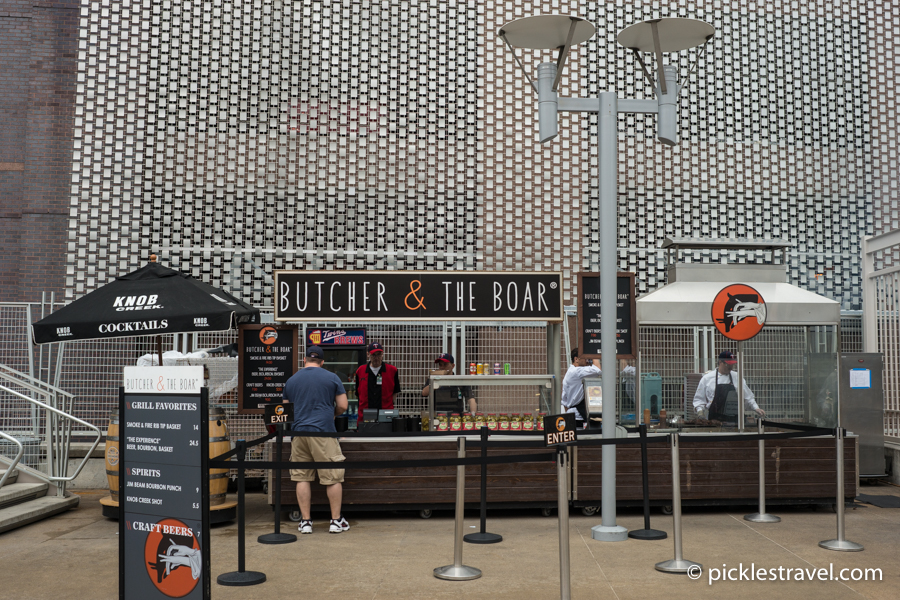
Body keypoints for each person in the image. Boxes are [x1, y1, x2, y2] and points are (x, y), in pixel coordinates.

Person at [283, 345, 350, 534]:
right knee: (332, 477)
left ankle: (305, 522)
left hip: (299, 434)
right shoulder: (332, 377)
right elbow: (343, 405)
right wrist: (332, 414)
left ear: (304, 360)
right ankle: (336, 521)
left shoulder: (291, 380)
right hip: (323, 433)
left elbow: (286, 411)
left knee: (302, 477)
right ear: (322, 362)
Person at [692, 350, 765, 422]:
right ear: (720, 362)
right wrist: (700, 412)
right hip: (715, 420)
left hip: (736, 419)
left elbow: (748, 397)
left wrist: (756, 408)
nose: (730, 367)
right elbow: (699, 400)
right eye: (728, 364)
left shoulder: (737, 377)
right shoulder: (707, 378)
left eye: (732, 364)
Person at [354, 342, 400, 423]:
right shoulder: (360, 371)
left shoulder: (392, 370)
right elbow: (358, 393)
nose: (376, 358)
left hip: (386, 416)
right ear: (368, 354)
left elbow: (395, 392)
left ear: (382, 354)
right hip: (365, 417)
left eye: (378, 354)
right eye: (373, 355)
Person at [561, 348, 601, 428]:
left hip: (572, 415)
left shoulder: (570, 372)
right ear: (576, 359)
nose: (587, 360)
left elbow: (564, 401)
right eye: (585, 357)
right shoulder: (576, 372)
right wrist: (593, 353)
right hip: (579, 416)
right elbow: (597, 370)